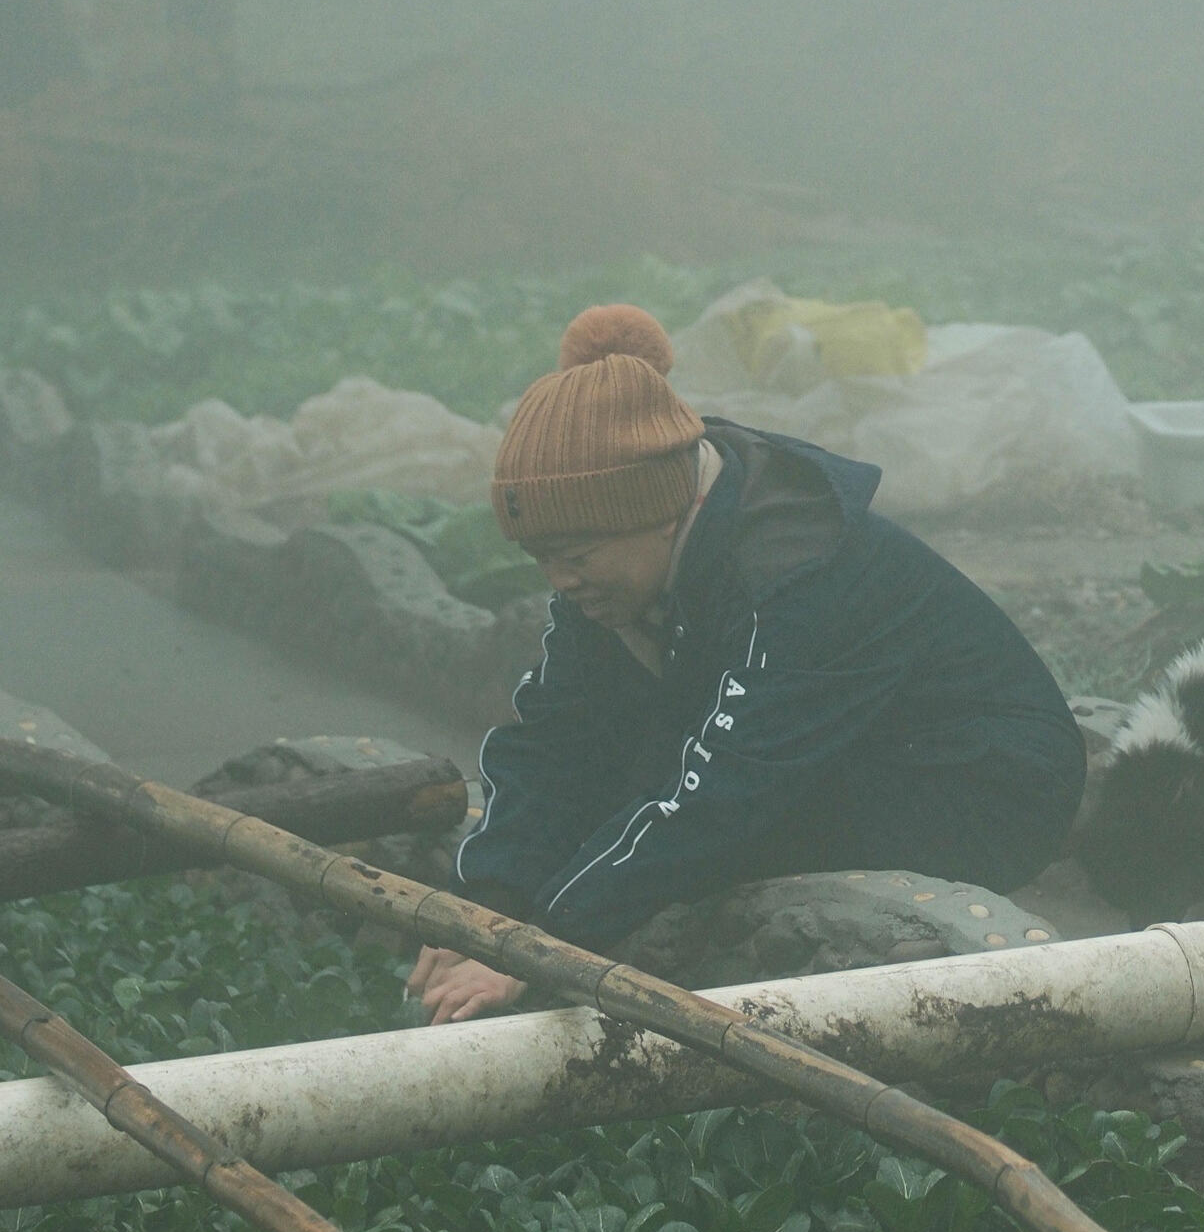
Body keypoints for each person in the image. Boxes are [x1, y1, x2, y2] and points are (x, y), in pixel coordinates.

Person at [410, 303, 1087, 1023]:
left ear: (660, 512)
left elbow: (725, 789)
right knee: (623, 793)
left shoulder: (794, 572)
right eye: (541, 559)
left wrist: (541, 944)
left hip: (980, 783)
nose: (560, 581)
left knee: (704, 833)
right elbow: (555, 739)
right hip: (838, 751)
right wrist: (487, 906)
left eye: (575, 558)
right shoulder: (618, 570)